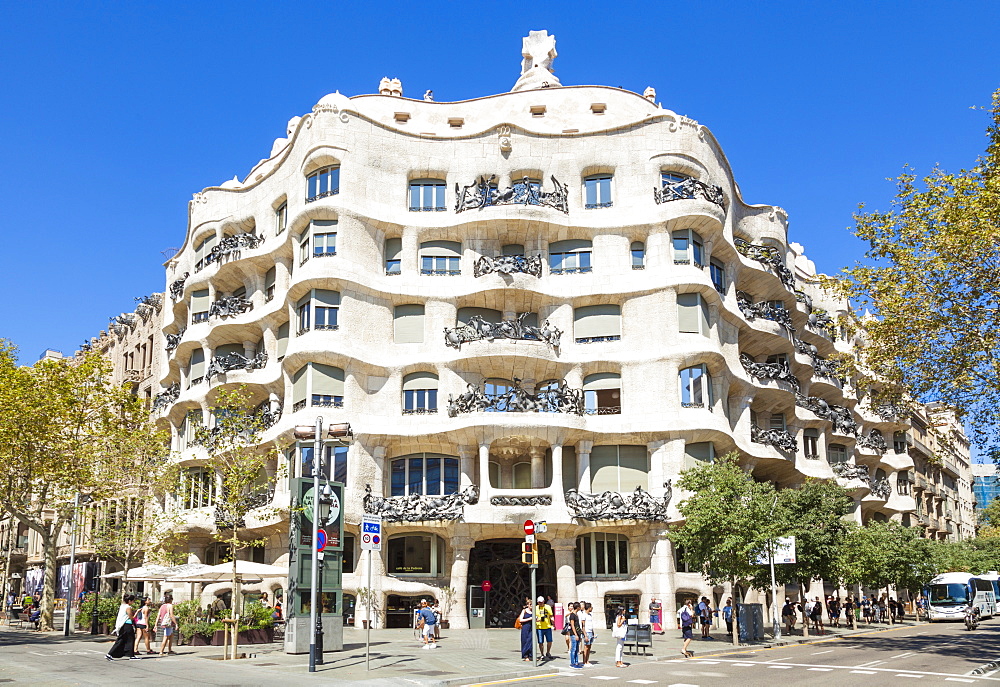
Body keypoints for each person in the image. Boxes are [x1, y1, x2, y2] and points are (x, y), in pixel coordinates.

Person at [106, 593, 137, 661]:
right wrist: (137, 613)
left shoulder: (122, 606)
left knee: (123, 639)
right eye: (133, 601)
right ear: (129, 601)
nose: (133, 602)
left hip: (122, 625)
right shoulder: (128, 607)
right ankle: (110, 654)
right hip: (127, 624)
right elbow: (131, 617)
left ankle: (130, 654)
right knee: (129, 639)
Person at [535, 596, 553, 660]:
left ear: (544, 602)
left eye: (541, 602)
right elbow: (533, 617)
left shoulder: (548, 607)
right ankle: (542, 654)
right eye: (539, 602)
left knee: (550, 641)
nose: (540, 604)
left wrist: (553, 624)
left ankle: (548, 652)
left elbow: (551, 616)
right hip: (539, 627)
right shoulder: (535, 608)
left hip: (547, 626)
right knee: (540, 642)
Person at [566, 602, 583, 669]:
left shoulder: (576, 614)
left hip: (578, 633)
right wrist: (575, 634)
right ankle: (572, 663)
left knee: (577, 649)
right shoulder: (572, 615)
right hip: (573, 634)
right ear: (578, 607)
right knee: (573, 648)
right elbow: (572, 625)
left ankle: (576, 662)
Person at [581, 602, 595, 667]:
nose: (592, 608)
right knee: (586, 647)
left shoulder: (590, 615)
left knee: (589, 647)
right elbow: (583, 626)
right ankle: (584, 661)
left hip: (590, 632)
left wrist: (593, 632)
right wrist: (585, 635)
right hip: (586, 632)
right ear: (588, 608)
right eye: (591, 607)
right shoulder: (584, 615)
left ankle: (587, 660)